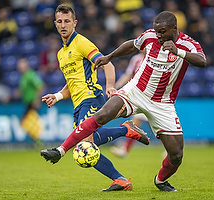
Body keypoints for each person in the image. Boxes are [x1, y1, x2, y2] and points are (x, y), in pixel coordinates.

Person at [41, 10, 206, 192]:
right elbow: (132, 45)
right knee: (102, 115)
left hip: (162, 103)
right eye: (156, 31)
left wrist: (179, 52)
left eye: (162, 32)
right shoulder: (150, 36)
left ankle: (160, 180)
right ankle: (61, 150)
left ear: (174, 29)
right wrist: (109, 57)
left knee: (176, 155)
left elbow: (202, 61)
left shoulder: (188, 44)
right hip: (135, 91)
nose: (157, 35)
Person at [40, 4, 149, 192]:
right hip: (78, 104)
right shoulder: (61, 53)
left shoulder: (82, 43)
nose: (63, 25)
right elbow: (71, 85)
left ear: (75, 23)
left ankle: (121, 180)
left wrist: (110, 86)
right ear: (55, 24)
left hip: (91, 98)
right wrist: (57, 96)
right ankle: (126, 130)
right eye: (60, 21)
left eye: (67, 21)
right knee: (89, 142)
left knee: (83, 146)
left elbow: (107, 65)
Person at [110, 51, 150, 158]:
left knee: (155, 125)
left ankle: (169, 149)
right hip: (140, 96)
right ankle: (125, 150)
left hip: (151, 96)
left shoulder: (154, 58)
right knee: (136, 122)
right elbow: (129, 74)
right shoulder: (136, 59)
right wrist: (118, 84)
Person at [15, 58, 45, 141]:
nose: (19, 67)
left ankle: (38, 140)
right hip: (27, 102)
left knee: (29, 121)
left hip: (33, 102)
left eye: (21, 64)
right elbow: (22, 90)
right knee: (27, 122)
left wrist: (37, 99)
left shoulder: (31, 75)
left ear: (26, 65)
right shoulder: (23, 77)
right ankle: (36, 140)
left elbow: (40, 87)